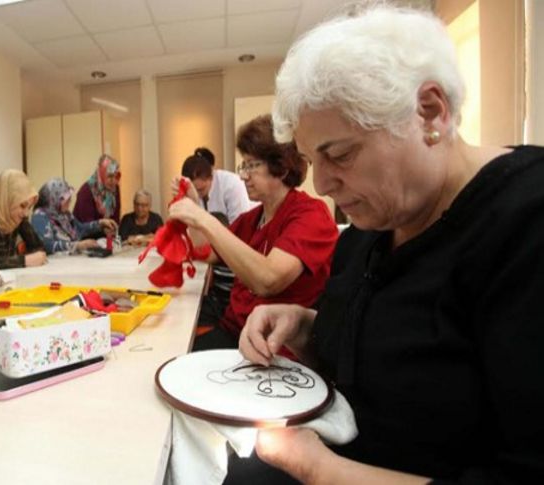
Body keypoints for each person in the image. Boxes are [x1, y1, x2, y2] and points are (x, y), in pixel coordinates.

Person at [237, 5, 544, 483]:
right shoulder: (371, 228)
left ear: (429, 113)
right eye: (310, 159)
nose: (321, 185)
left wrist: (320, 469)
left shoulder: (525, 225)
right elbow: (389, 347)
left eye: (339, 154)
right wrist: (306, 328)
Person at [168, 115, 338, 351]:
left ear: (282, 167)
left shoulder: (311, 215)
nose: (243, 175)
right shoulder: (253, 218)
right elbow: (204, 251)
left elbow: (268, 280)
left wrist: (204, 219)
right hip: (234, 332)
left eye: (252, 165)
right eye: (244, 165)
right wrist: (195, 206)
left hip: (272, 349)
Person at [32, 178, 118, 255]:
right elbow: (47, 246)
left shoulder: (64, 214)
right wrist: (77, 245)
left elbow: (80, 228)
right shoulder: (40, 216)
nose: (69, 201)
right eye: (65, 199)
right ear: (54, 199)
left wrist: (100, 223)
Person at [180, 147, 256, 224]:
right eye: (194, 190)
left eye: (200, 189)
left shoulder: (232, 185)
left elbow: (240, 225)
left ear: (211, 177)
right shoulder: (190, 192)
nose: (197, 195)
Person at [73, 154, 121, 224]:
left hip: (107, 233)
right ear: (101, 174)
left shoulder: (115, 188)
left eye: (116, 176)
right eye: (110, 176)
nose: (113, 180)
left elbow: (116, 219)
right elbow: (87, 225)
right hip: (86, 233)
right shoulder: (86, 191)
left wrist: (113, 230)